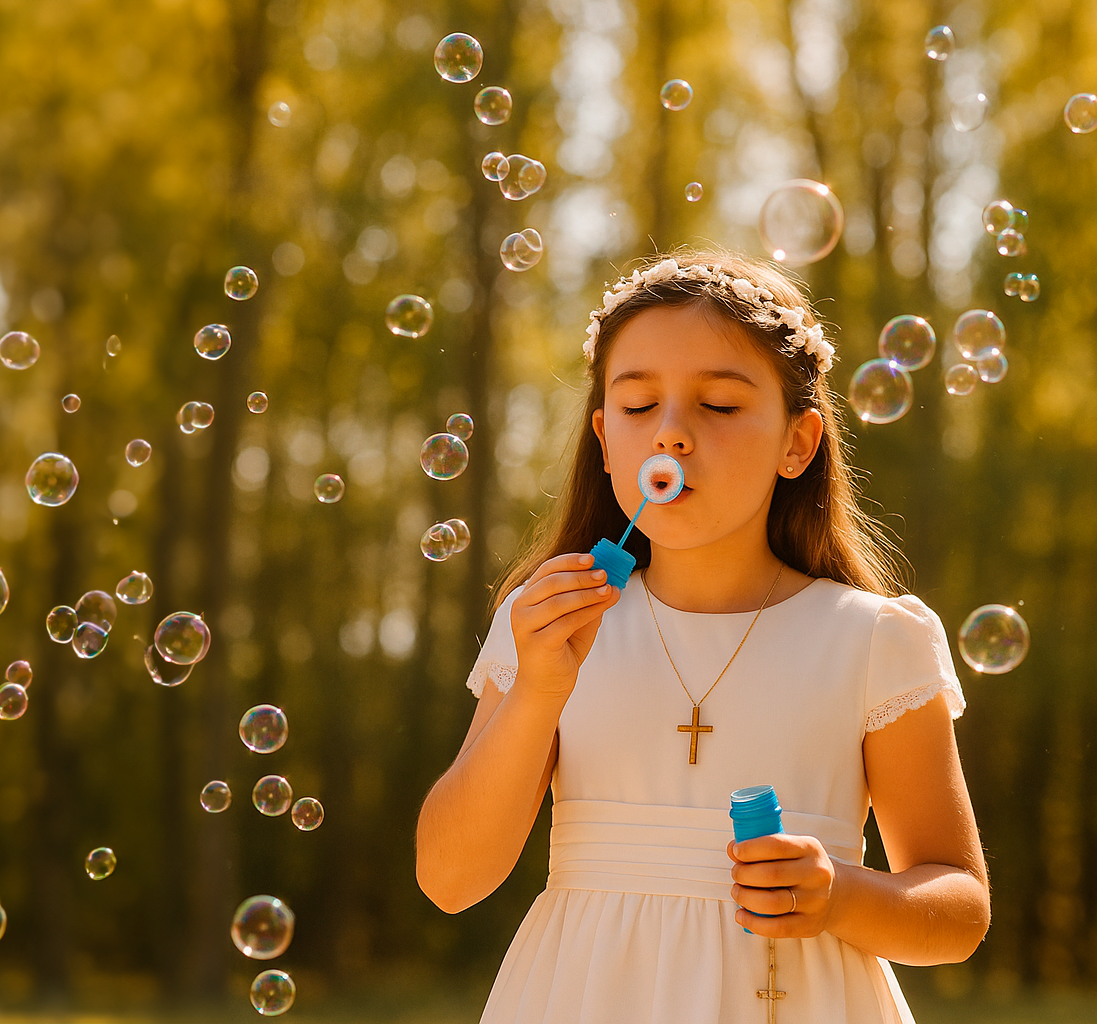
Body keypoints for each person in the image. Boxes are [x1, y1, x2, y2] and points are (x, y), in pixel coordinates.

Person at [415, 250, 989, 1023]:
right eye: (638, 405)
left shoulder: (871, 640)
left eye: (718, 406)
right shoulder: (548, 624)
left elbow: (958, 908)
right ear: (606, 440)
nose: (673, 435)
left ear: (798, 443)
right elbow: (451, 879)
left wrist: (838, 894)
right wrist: (538, 694)